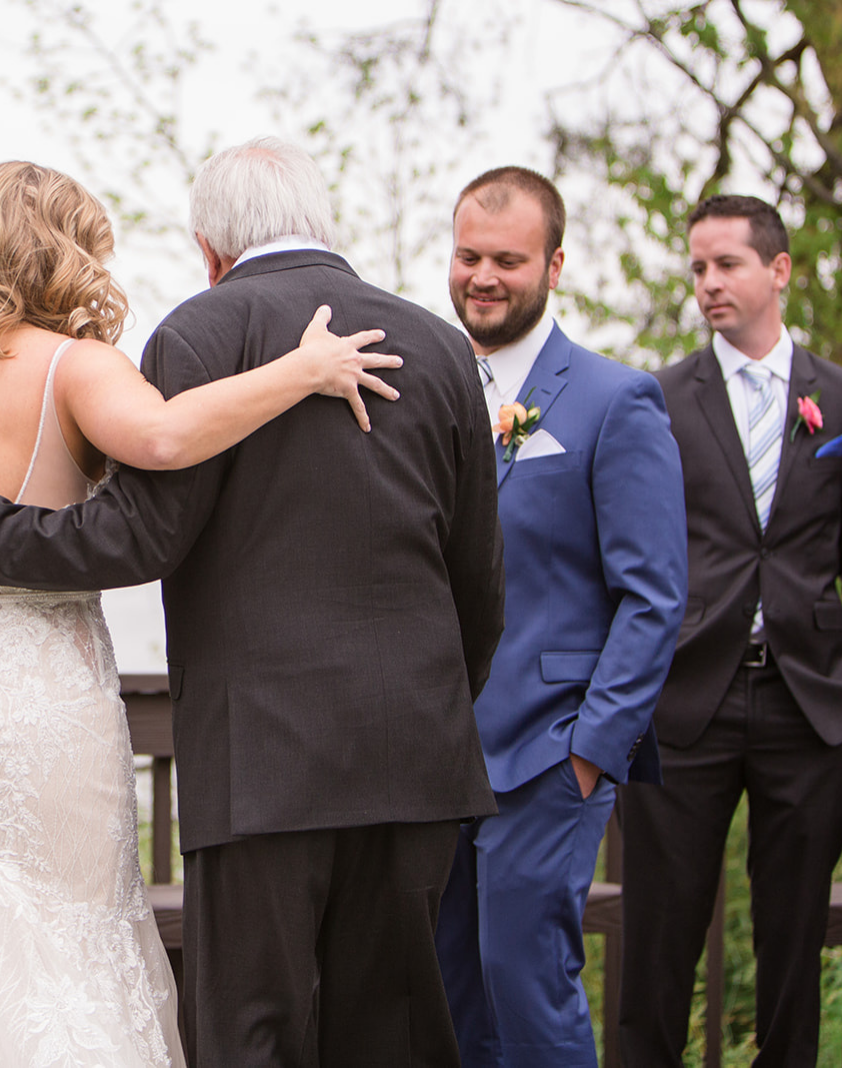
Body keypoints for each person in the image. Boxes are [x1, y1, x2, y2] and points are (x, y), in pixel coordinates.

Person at [0, 137, 505, 1067]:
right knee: (399, 1032)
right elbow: (479, 580)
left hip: (259, 758)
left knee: (252, 1032)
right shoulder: (438, 344)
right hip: (414, 751)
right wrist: (436, 706)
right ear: (321, 221)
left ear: (209, 245)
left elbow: (133, 539)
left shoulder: (200, 334)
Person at [429, 167, 687, 1067]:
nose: (483, 276)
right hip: (436, 755)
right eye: (468, 256)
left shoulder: (619, 401)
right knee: (450, 993)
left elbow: (654, 597)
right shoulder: (425, 390)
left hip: (548, 752)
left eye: (508, 258)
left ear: (555, 263)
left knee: (528, 985)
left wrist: (590, 753)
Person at [619, 195, 842, 1066]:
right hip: (685, 700)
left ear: (778, 270)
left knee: (794, 940)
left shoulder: (836, 397)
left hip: (807, 702)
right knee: (658, 937)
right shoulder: (656, 399)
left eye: (728, 265)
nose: (708, 283)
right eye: (698, 268)